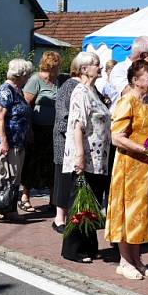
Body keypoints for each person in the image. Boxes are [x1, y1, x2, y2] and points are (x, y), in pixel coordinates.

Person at [105, 60, 148, 280]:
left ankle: (136, 259)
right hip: (130, 167)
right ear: (135, 80)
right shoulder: (127, 102)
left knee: (142, 213)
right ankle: (124, 260)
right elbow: (117, 137)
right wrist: (144, 149)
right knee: (128, 211)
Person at [61, 52, 111, 263]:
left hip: (99, 158)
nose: (99, 67)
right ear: (84, 69)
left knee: (91, 203)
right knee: (80, 203)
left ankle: (89, 246)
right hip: (87, 157)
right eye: (95, 64)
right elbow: (77, 125)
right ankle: (73, 249)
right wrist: (80, 156)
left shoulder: (94, 91)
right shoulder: (80, 92)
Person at [0, 58, 34, 219]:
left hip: (18, 141)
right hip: (8, 141)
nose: (28, 79)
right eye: (27, 76)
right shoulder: (5, 90)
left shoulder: (17, 90)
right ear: (19, 75)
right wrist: (3, 141)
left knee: (14, 177)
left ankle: (9, 208)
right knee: (6, 175)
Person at [20, 51, 59, 212]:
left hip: (53, 130)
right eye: (54, 66)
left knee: (51, 165)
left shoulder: (58, 81)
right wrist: (28, 129)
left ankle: (53, 200)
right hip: (36, 129)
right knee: (31, 163)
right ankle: (25, 197)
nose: (57, 69)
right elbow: (26, 105)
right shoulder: (35, 80)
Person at [51, 62, 84, 233]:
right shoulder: (69, 85)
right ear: (82, 68)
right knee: (63, 180)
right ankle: (59, 219)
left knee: (72, 182)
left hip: (77, 143)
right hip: (65, 143)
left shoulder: (84, 86)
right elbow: (64, 114)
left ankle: (71, 215)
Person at [107, 36, 148, 109]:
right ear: (143, 55)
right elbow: (128, 94)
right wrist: (144, 71)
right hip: (126, 118)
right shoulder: (119, 69)